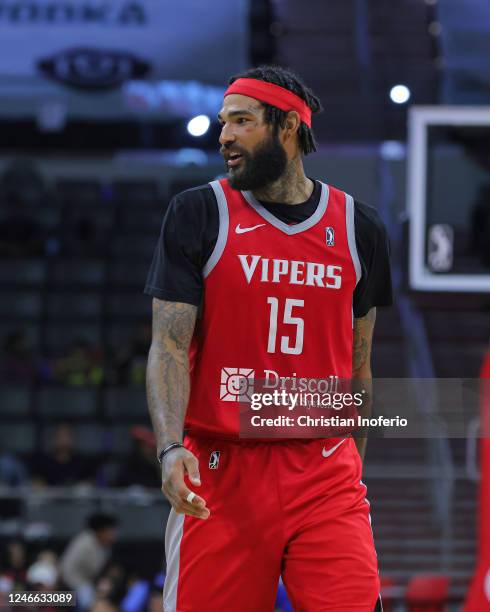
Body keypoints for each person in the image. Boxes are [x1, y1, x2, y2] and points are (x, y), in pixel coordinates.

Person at [145, 65, 392, 611]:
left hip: (324, 468)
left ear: (288, 129)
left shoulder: (359, 228)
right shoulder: (198, 213)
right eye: (222, 122)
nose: (224, 136)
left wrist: (353, 466)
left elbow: (359, 363)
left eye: (242, 121)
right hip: (222, 470)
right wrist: (169, 448)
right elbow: (167, 345)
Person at [59, 513, 118, 610]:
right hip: (72, 584)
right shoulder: (85, 542)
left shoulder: (104, 547)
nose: (113, 535)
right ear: (101, 531)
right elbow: (66, 568)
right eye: (110, 531)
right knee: (88, 597)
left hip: (86, 583)